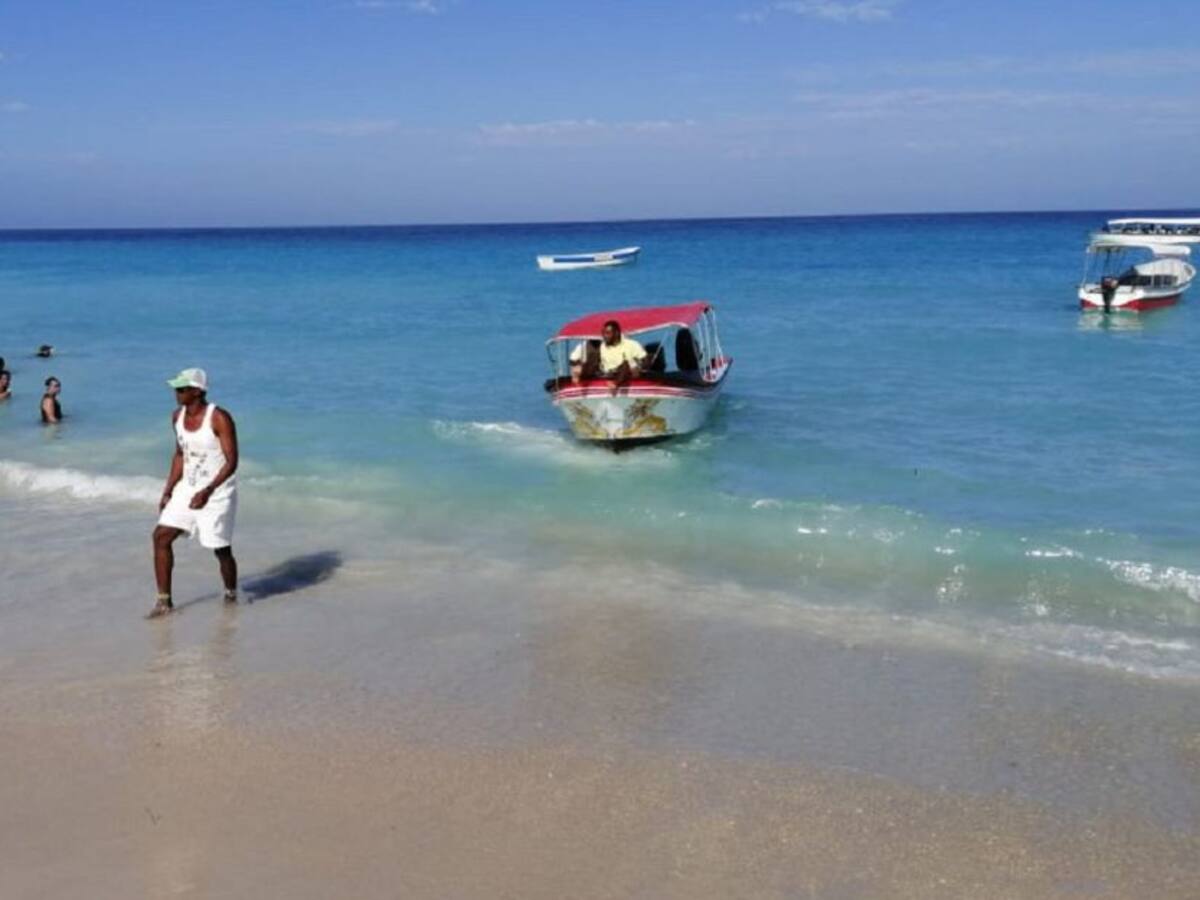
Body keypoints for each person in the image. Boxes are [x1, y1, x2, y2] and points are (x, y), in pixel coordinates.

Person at [149, 368, 239, 618]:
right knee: (161, 537)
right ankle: (164, 602)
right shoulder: (177, 416)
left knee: (220, 549)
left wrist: (208, 491)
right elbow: (180, 454)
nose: (176, 393)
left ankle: (231, 593)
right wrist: (168, 490)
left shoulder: (219, 417)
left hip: (217, 490)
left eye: (181, 388)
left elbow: (231, 462)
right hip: (187, 487)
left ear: (197, 391)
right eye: (176, 388)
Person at [599, 319, 646, 394]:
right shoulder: (602, 346)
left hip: (628, 372)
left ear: (617, 333)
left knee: (625, 364)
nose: (604, 336)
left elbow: (645, 360)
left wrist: (638, 368)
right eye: (603, 333)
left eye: (607, 333)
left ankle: (615, 385)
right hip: (609, 374)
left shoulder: (632, 344)